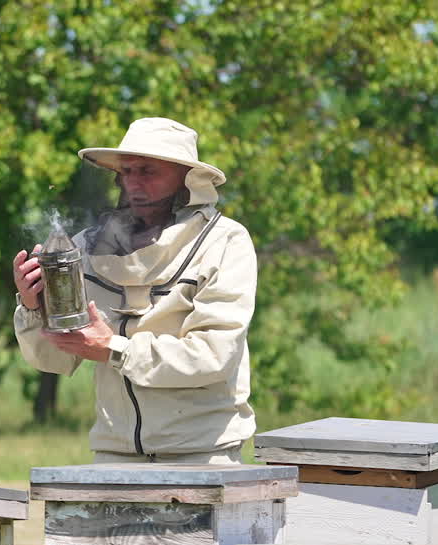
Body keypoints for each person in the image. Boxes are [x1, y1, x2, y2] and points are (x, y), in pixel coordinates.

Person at [13, 117, 256, 464]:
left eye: (148, 171)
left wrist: (113, 348)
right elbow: (54, 360)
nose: (134, 184)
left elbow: (213, 356)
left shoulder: (225, 242)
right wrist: (33, 306)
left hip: (202, 453)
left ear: (187, 178)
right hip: (115, 453)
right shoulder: (83, 248)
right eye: (127, 172)